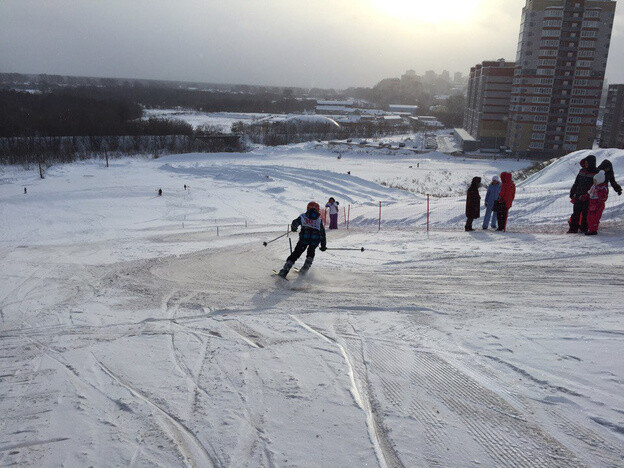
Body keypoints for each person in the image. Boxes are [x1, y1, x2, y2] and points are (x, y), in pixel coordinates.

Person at [277, 202, 327, 278]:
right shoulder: (319, 220)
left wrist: (294, 228)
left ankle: (284, 271)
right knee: (311, 253)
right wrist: (323, 245)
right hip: (314, 241)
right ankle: (304, 271)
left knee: (296, 254)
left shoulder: (303, 216)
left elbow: (295, 223)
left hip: (304, 239)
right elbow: (322, 234)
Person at [568, 155, 598, 233]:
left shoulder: (596, 173)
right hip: (578, 195)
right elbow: (576, 183)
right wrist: (572, 192)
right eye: (585, 162)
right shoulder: (582, 171)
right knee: (576, 213)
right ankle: (573, 228)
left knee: (586, 213)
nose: (586, 164)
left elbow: (596, 186)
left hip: (588, 197)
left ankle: (584, 228)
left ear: (592, 163)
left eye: (587, 163)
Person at [586, 170, 609, 235]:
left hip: (598, 205)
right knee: (589, 217)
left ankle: (593, 230)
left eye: (595, 180)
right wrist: (586, 196)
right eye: (594, 180)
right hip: (592, 204)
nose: (594, 182)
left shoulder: (602, 188)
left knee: (594, 217)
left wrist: (599, 192)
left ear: (600, 180)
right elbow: (589, 193)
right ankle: (590, 228)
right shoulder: (594, 186)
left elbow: (603, 198)